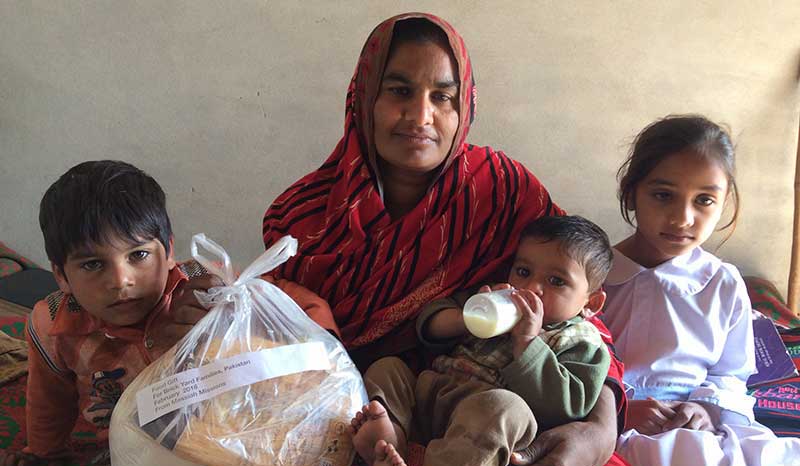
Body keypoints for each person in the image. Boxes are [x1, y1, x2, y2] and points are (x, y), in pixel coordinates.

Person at [260, 13, 630, 466]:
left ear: (465, 108)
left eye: (443, 96)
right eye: (398, 91)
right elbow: (274, 338)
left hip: (486, 415)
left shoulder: (503, 192)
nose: (421, 116)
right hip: (362, 409)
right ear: (363, 98)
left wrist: (600, 429)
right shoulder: (301, 219)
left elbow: (572, 302)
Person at [601, 115, 800, 465]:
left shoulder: (722, 283)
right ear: (630, 193)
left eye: (704, 200)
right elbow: (570, 364)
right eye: (663, 195)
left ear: (725, 202)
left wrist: (706, 407)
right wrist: (617, 412)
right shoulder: (594, 277)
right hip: (612, 420)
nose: (682, 219)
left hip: (694, 423)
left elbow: (731, 373)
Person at [350, 215, 614, 466]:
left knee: (505, 409)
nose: (532, 287)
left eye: (556, 281)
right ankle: (391, 439)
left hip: (482, 420)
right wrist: (469, 315)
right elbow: (428, 324)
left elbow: (567, 406)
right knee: (389, 368)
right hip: (432, 393)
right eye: (523, 271)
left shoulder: (582, 342)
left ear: (591, 303)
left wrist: (528, 342)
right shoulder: (499, 299)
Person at [1, 161, 211, 466]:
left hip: (211, 447)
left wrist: (221, 323)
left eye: (138, 255)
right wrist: (44, 456)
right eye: (92, 264)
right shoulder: (53, 324)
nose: (120, 281)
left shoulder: (204, 297)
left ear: (168, 252)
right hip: (123, 452)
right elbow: (50, 402)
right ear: (61, 275)